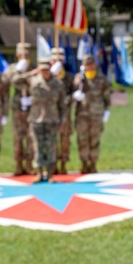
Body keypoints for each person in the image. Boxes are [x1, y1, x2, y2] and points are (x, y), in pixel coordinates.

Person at [28, 56, 67, 183]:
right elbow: (14, 81)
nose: (44, 72)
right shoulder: (33, 81)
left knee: (50, 147)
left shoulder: (57, 84)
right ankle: (39, 173)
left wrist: (63, 121)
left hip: (52, 119)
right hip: (36, 119)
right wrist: (30, 72)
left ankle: (50, 174)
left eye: (47, 69)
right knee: (37, 147)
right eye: (42, 70)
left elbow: (62, 104)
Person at [71, 55, 111, 174]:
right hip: (82, 115)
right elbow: (72, 93)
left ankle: (93, 164)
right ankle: (84, 163)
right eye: (86, 64)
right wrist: (76, 95)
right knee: (82, 139)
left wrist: (107, 110)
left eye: (91, 64)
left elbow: (106, 96)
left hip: (96, 114)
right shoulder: (78, 78)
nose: (89, 66)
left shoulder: (102, 79)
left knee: (94, 140)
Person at [4, 42, 34, 176]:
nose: (24, 56)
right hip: (17, 108)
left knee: (30, 137)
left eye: (27, 54)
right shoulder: (11, 68)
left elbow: (35, 81)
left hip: (31, 107)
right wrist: (19, 71)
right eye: (22, 54)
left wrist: (27, 75)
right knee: (18, 137)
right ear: (17, 54)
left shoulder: (34, 67)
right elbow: (9, 81)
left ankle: (29, 165)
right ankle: (18, 165)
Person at [52, 47, 75, 175]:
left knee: (65, 140)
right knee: (53, 140)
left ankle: (64, 164)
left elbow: (74, 93)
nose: (57, 61)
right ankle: (53, 164)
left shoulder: (69, 76)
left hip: (65, 113)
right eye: (55, 59)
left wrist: (69, 99)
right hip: (51, 113)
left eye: (60, 59)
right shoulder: (48, 76)